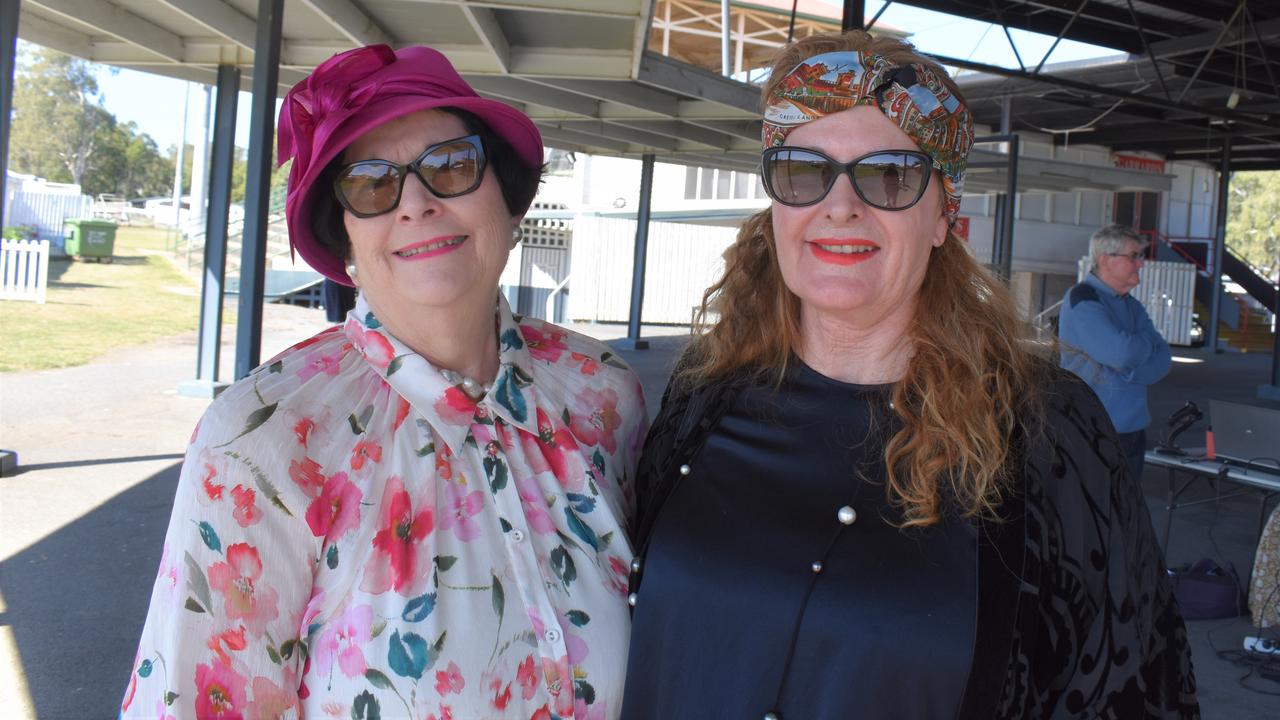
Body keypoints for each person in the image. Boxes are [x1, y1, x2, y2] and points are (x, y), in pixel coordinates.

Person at [621, 31, 1197, 720]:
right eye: (805, 170)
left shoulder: (1045, 431)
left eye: (889, 174)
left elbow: (1130, 689)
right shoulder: (703, 392)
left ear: (943, 216)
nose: (840, 205)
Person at [122, 45, 647, 719]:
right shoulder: (262, 440)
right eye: (371, 184)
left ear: (509, 200)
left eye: (452, 166)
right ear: (342, 240)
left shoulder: (603, 394)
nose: (417, 203)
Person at [1059, 224, 1171, 482]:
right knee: (1094, 516)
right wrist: (1142, 346)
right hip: (1093, 430)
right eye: (1133, 256)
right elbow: (1119, 354)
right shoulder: (1083, 299)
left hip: (1132, 430)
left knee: (1127, 515)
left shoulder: (1132, 305)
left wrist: (1130, 369)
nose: (1140, 264)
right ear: (1105, 260)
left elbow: (1163, 359)